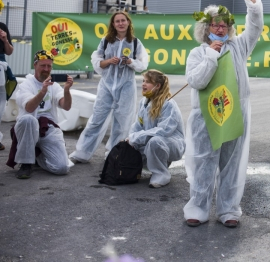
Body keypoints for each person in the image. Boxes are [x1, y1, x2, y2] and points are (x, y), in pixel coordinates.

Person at [183, 0, 263, 228]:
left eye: (225, 25)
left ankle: (228, 209)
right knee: (204, 162)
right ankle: (198, 207)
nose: (220, 29)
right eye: (216, 25)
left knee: (231, 163)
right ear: (206, 28)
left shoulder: (239, 46)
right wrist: (211, 55)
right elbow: (197, 81)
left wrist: (253, 4)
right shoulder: (198, 53)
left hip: (235, 115)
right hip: (205, 117)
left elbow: (256, 27)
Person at [70, 11, 148, 163]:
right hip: (106, 85)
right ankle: (82, 153)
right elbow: (97, 62)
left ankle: (114, 154)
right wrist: (109, 61)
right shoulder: (106, 41)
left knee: (122, 122)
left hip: (126, 86)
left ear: (128, 22)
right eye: (117, 21)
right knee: (96, 120)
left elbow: (142, 65)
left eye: (123, 20)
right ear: (113, 24)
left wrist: (129, 62)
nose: (120, 23)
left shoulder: (135, 43)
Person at [6, 50, 73, 178]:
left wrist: (66, 91)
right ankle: (26, 163)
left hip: (48, 128)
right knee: (29, 120)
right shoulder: (26, 85)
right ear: (35, 65)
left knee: (62, 168)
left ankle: (37, 156)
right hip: (27, 128)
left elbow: (67, 106)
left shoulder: (54, 85)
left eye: (49, 66)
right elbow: (30, 108)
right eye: (43, 65)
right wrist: (42, 92)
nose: (46, 69)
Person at [126, 70, 185, 188]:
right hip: (154, 142)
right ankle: (149, 166)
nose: (143, 84)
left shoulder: (169, 104)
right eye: (143, 81)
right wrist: (130, 140)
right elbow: (138, 125)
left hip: (171, 144)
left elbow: (164, 131)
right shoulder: (144, 102)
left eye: (148, 82)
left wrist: (136, 138)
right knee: (130, 146)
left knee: (155, 141)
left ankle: (161, 174)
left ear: (158, 86)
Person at [0, 0, 14, 151]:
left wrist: (4, 40)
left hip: (0, 70)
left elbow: (9, 51)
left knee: (0, 106)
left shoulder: (2, 27)